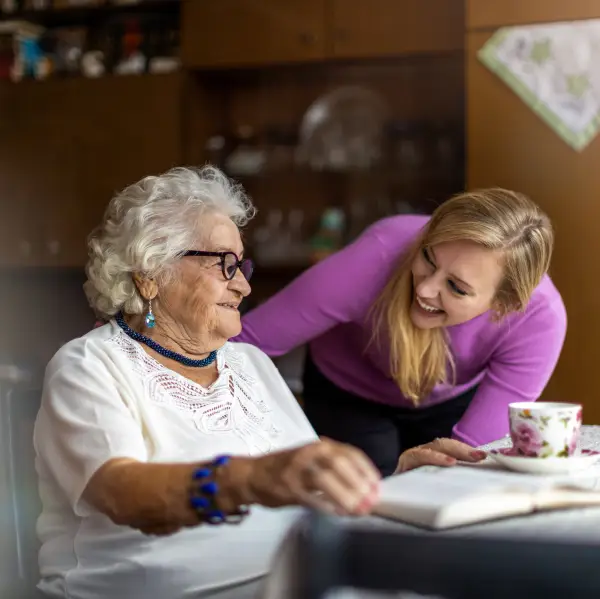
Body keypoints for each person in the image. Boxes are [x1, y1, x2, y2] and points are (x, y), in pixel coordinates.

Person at [33, 166, 483, 599]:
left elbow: (306, 489)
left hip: (293, 581)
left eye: (241, 268)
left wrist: (392, 482)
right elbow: (121, 492)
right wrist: (250, 478)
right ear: (150, 276)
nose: (244, 289)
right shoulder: (89, 365)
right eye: (224, 265)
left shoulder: (249, 363)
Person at [236, 189, 567, 477]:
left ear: (504, 304)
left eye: (456, 287)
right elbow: (242, 343)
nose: (424, 289)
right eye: (428, 257)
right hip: (348, 392)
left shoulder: (539, 320)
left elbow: (471, 458)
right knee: (359, 502)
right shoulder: (378, 255)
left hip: (450, 399)